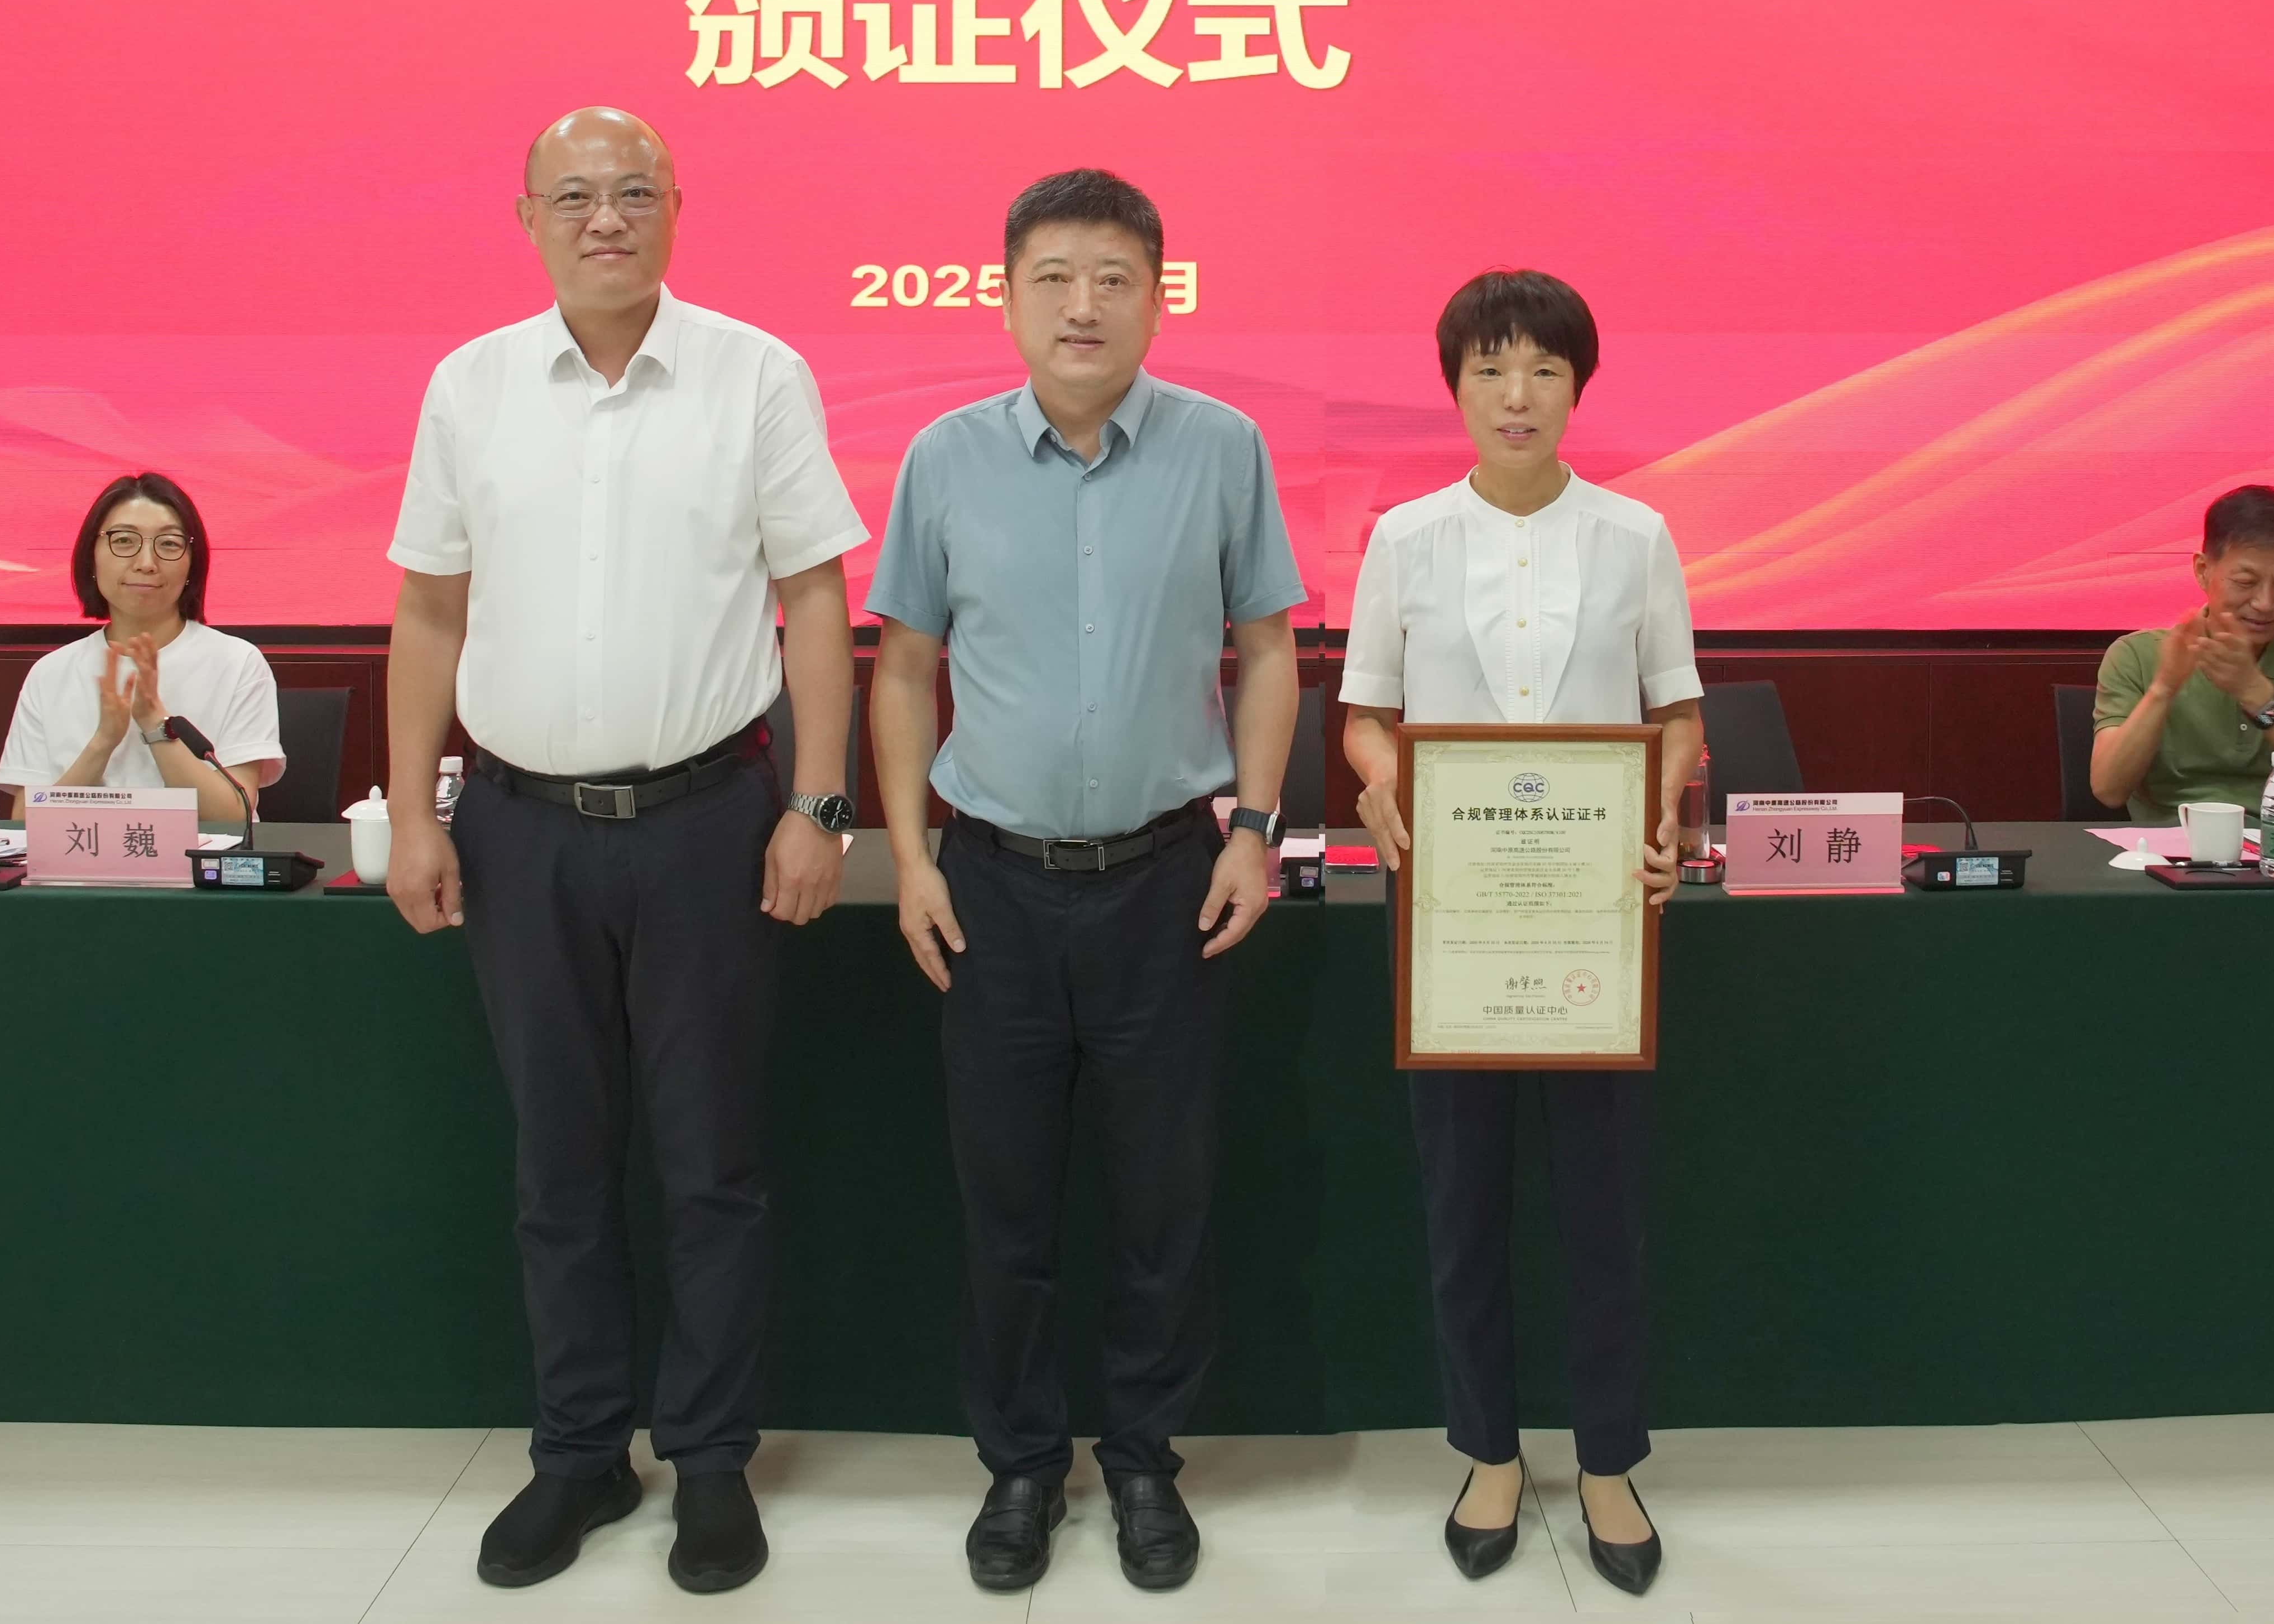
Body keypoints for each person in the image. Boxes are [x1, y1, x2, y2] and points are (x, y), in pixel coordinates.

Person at [382, 107, 865, 1599]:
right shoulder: (469, 385)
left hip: (710, 821)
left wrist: (818, 802)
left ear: (675, 208)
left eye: (634, 191)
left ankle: (710, 1458)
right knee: (560, 1162)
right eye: (577, 195)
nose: (606, 217)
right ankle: (581, 1449)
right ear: (528, 215)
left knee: (711, 1160)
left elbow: (816, 595)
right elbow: (429, 610)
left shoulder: (754, 373)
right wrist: (413, 810)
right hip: (519, 827)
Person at [865, 168, 1304, 1598]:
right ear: (1004, 297)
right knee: (1005, 1200)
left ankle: (1143, 1458)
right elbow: (905, 666)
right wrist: (912, 855)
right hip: (991, 883)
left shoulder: (1223, 446)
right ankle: (1018, 1461)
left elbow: (1267, 646)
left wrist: (1253, 828)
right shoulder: (944, 457)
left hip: (1167, 879)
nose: (1082, 305)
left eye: (1114, 277)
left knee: (1163, 1197)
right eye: (1052, 276)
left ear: (1156, 299)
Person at [1340, 270, 1701, 1599]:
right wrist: (1383, 784)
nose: (1516, 394)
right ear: (1455, 385)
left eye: (1543, 369)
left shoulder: (1636, 535)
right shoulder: (1405, 538)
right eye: (1490, 368)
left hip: (1600, 917)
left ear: (1577, 386)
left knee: (1604, 1204)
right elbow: (1366, 714)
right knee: (1463, 1197)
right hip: (1451, 919)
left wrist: (1663, 808)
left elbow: (1675, 713)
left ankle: (1607, 1459)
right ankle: (1487, 1451)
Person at [0, 472, 282, 827]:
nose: (146, 562)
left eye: (169, 544)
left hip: (201, 862)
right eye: (124, 541)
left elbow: (234, 817)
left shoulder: (238, 663)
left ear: (192, 564)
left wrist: (155, 724)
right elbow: (26, 824)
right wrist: (103, 742)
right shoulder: (51, 673)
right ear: (91, 557)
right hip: (84, 861)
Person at [2090, 484, 2274, 823]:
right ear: (2203, 571)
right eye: (2246, 582)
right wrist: (2164, 689)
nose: (2265, 604)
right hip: (2173, 842)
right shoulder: (2136, 655)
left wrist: (2254, 692)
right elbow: (2109, 789)